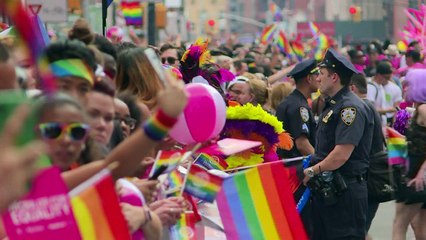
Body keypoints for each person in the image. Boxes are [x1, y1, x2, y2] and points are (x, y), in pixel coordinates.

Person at [304, 48, 374, 240]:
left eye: (321, 74)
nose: (318, 78)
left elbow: (341, 154)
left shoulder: (349, 108)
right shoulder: (333, 104)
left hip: (345, 191)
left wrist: (311, 171)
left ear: (334, 77)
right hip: (329, 189)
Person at [275, 58, 320, 237]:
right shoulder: (298, 106)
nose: (319, 79)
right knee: (303, 224)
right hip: (296, 174)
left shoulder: (292, 102)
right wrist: (323, 164)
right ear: (308, 79)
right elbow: (302, 144)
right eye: (317, 75)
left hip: (290, 171)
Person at [350, 73, 388, 237]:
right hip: (372, 175)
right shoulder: (369, 106)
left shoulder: (361, 108)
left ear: (352, 88)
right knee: (361, 230)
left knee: (359, 230)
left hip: (368, 177)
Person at [392, 69, 426, 240]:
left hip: (417, 172)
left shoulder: (423, 109)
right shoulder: (418, 109)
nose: (406, 89)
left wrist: (422, 172)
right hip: (417, 170)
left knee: (399, 224)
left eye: (409, 85)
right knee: (420, 226)